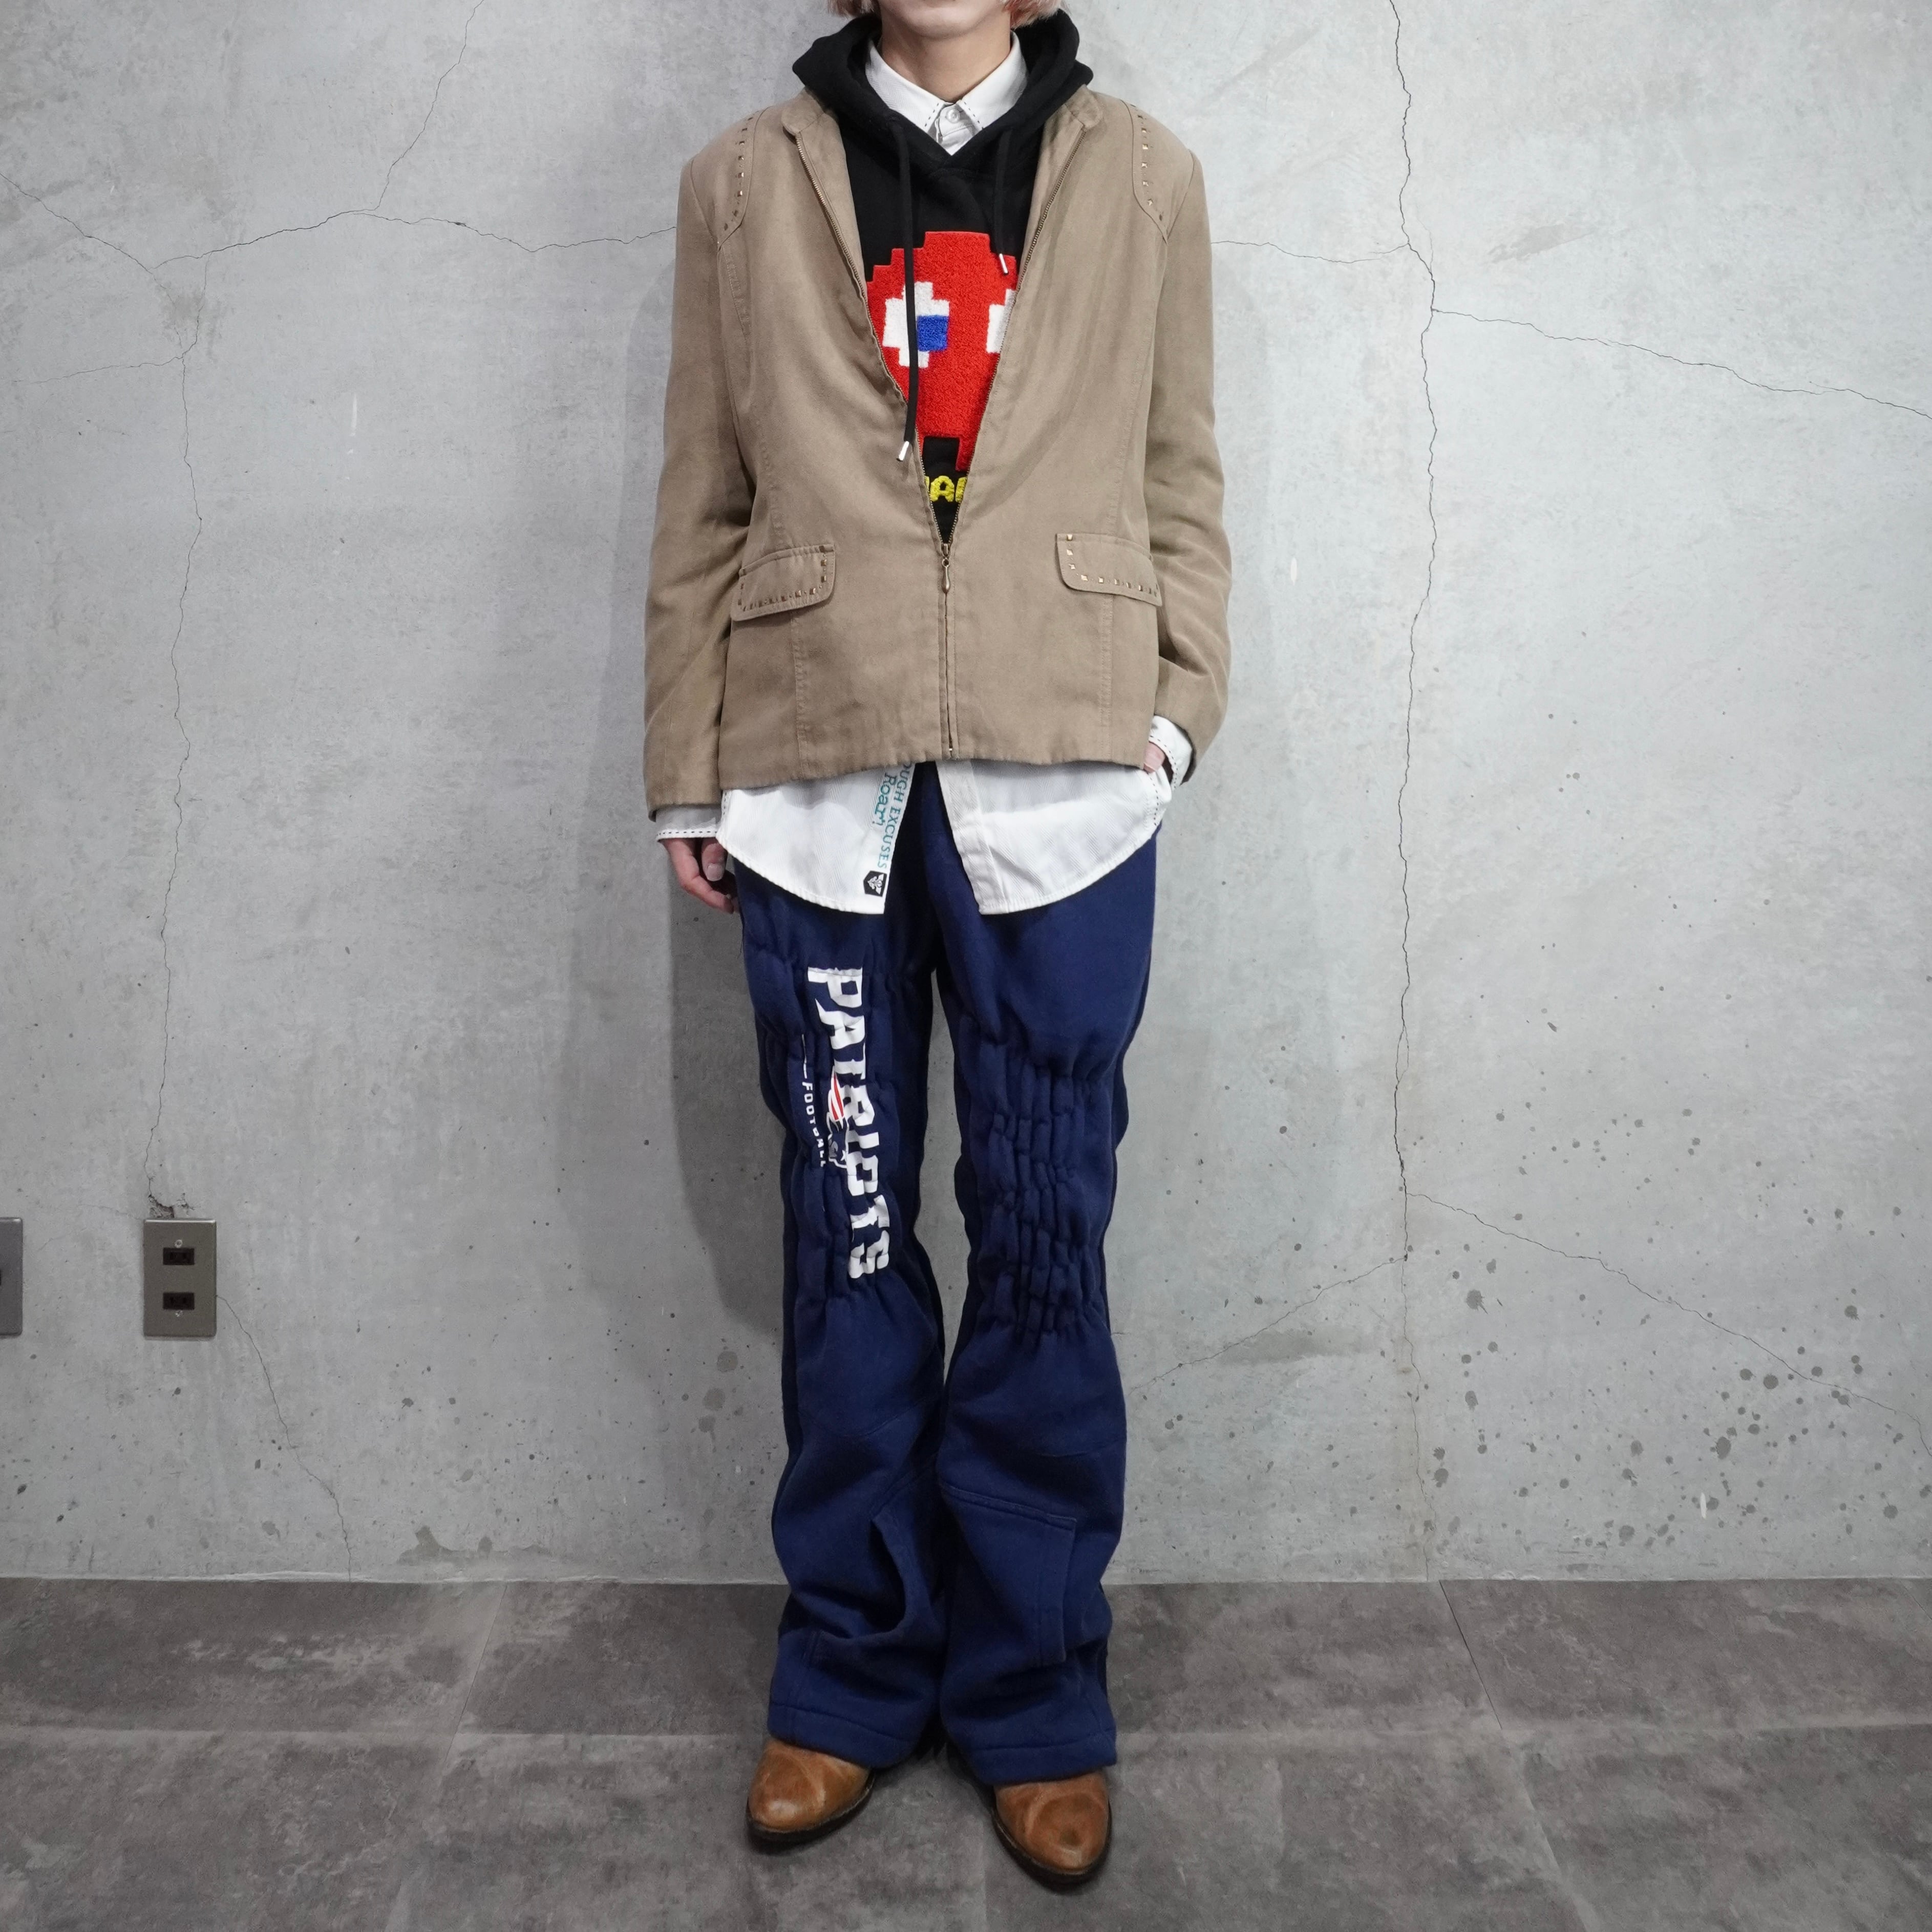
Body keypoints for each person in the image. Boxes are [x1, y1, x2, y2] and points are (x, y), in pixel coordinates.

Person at [644, 0, 1229, 1889]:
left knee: (1046, 1238)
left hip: (1065, 780)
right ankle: (849, 1674)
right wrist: (687, 771)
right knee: (850, 1231)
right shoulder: (746, 182)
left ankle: (1037, 1694)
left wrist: (1174, 715)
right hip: (815, 765)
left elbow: (1180, 477)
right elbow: (703, 498)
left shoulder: (1142, 178)